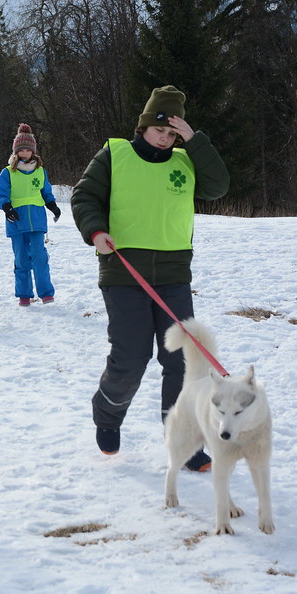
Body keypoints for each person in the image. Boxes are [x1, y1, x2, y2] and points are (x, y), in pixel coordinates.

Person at [70, 85, 229, 471]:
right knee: (132, 356)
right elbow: (83, 196)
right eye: (161, 128)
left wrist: (195, 141)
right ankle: (107, 415)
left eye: (173, 132)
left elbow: (218, 186)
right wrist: (95, 231)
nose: (166, 137)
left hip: (173, 274)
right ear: (144, 126)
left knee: (180, 360)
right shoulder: (115, 155)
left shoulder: (185, 160)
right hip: (123, 271)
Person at [0, 123, 61, 306]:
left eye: (27, 149)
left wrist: (53, 205)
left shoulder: (40, 171)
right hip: (17, 221)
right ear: (16, 152)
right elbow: (0, 194)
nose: (24, 153)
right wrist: (7, 207)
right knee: (22, 258)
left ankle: (46, 293)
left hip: (37, 221)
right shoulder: (8, 172)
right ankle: (24, 294)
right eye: (21, 150)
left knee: (39, 256)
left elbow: (45, 192)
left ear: (33, 151)